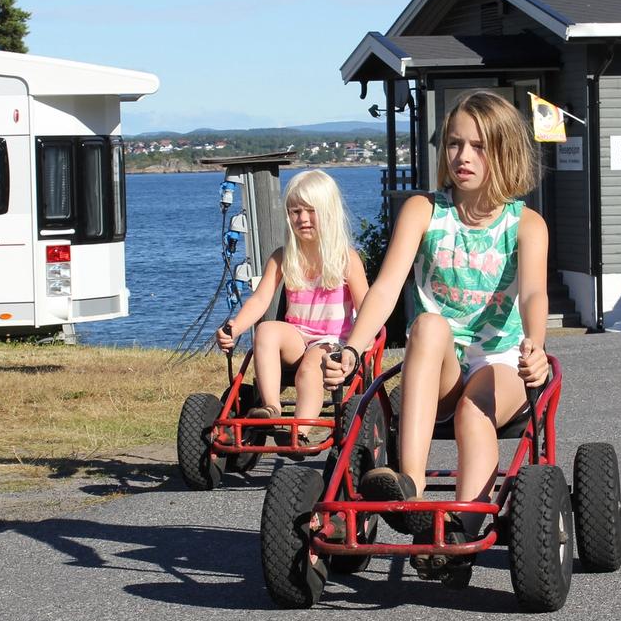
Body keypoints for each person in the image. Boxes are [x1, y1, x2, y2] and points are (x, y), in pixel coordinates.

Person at [323, 90, 550, 563]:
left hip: (500, 362)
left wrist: (535, 345)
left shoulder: (525, 224)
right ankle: (412, 489)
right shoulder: (425, 211)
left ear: (504, 151)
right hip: (441, 366)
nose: (462, 156)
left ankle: (460, 536)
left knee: (475, 407)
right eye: (454, 143)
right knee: (427, 324)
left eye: (478, 146)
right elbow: (385, 288)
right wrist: (351, 347)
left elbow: (532, 292)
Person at [216, 170, 368, 447]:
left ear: (329, 213)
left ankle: (301, 431)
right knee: (266, 330)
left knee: (312, 363)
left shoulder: (347, 259)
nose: (303, 219)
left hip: (332, 343)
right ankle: (271, 408)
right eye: (295, 211)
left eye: (311, 211)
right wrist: (235, 328)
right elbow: (260, 300)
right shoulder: (283, 256)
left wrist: (360, 347)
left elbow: (368, 308)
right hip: (297, 338)